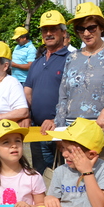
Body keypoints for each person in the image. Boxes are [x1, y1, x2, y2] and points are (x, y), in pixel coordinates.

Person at [50, 2, 104, 207]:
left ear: (101, 27)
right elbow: (63, 97)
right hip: (73, 132)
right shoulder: (72, 58)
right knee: (75, 182)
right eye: (81, 29)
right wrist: (60, 132)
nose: (86, 33)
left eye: (91, 27)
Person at [23, 10, 70, 173]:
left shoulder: (72, 60)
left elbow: (74, 96)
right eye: (45, 30)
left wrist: (56, 119)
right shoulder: (37, 62)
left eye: (53, 29)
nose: (48, 33)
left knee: (64, 179)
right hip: (38, 132)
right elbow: (27, 92)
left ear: (63, 32)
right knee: (40, 176)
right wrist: (27, 116)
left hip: (62, 130)